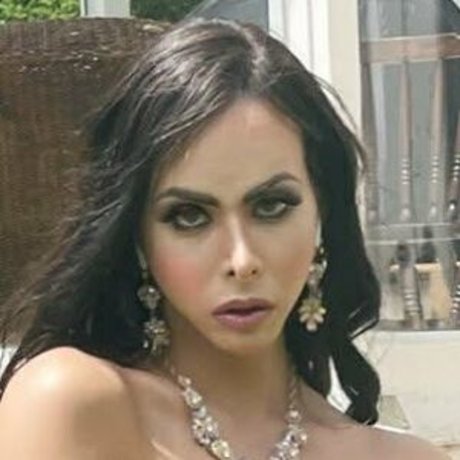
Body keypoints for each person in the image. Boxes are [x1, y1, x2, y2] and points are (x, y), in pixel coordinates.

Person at [0, 18, 449, 460]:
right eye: (189, 216)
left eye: (271, 206)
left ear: (322, 211)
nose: (242, 259)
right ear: (137, 236)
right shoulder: (69, 405)